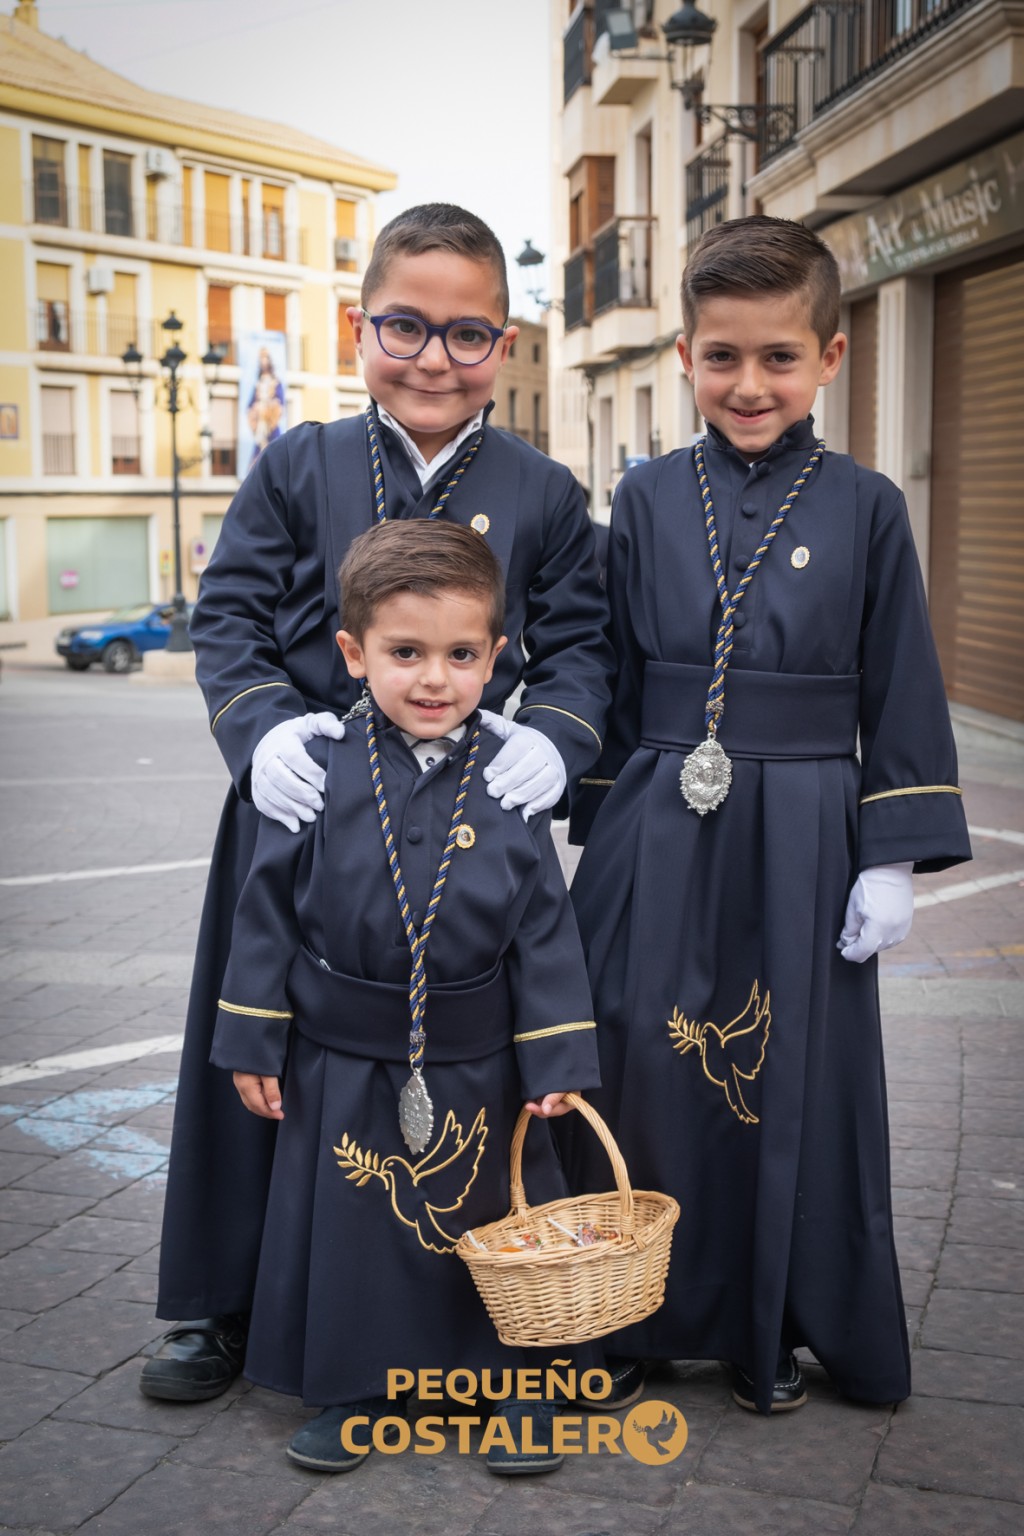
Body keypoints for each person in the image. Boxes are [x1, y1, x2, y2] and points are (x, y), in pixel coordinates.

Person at [142, 203, 611, 1403]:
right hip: (302, 809)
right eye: (404, 326)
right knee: (261, 1058)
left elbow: (579, 648)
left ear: (502, 345)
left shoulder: (547, 492)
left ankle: (495, 1314)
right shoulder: (293, 463)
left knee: (479, 1081)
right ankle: (222, 1304)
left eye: (466, 334)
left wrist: (553, 743)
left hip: (471, 813)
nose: (432, 358)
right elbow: (232, 619)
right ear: (359, 327)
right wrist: (259, 733)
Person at [567, 216, 971, 1417]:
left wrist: (891, 855)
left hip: (806, 829)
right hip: (655, 818)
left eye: (779, 358)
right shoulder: (640, 497)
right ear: (683, 355)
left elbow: (902, 678)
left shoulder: (868, 505)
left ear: (832, 360)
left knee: (786, 1079)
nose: (750, 384)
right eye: (723, 356)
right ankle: (625, 1319)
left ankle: (776, 1323)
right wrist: (587, 816)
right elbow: (613, 669)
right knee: (639, 1059)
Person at [210, 519, 600, 1473]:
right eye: (406, 653)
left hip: (483, 1064)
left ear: (496, 658)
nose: (435, 679)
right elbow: (267, 913)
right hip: (342, 1059)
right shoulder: (317, 767)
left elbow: (545, 931)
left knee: (492, 1230)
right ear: (353, 654)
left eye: (462, 655)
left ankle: (516, 1387)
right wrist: (253, 1040)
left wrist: (557, 1061)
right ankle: (355, 1390)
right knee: (353, 1230)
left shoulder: (509, 782)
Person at [245, 346, 285, 468]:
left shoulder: (276, 382)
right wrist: (256, 409)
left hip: (270, 420)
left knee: (275, 450)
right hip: (260, 423)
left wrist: (269, 408)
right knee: (259, 453)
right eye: (261, 359)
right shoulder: (258, 383)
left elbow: (279, 402)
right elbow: (250, 404)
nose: (263, 362)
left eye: (265, 358)